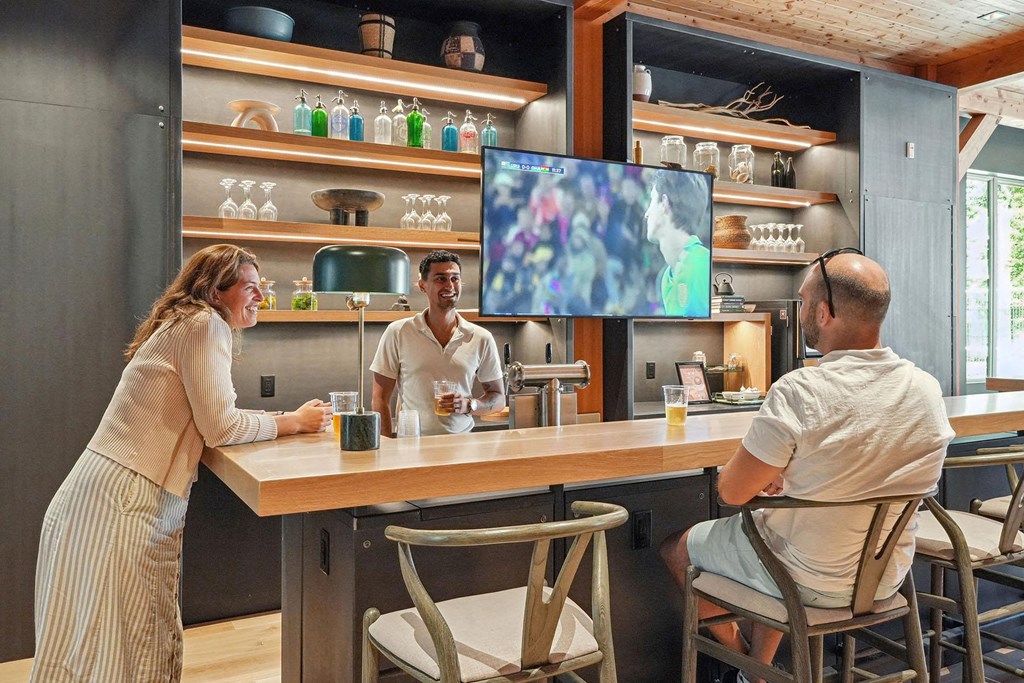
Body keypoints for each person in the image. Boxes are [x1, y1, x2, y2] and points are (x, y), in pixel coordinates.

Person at [30, 244, 331, 682]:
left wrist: (281, 420)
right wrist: (294, 422)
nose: (261, 297)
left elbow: (210, 416)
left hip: (101, 495)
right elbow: (221, 427)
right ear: (214, 290)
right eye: (250, 288)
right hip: (125, 501)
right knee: (128, 647)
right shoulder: (205, 324)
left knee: (86, 649)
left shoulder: (184, 323)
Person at [659, 250, 955, 683]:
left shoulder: (801, 390)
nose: (798, 313)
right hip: (887, 579)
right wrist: (797, 472)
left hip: (806, 583)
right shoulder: (926, 389)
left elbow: (731, 493)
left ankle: (746, 663)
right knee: (772, 528)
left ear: (824, 311)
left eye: (801, 302)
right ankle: (757, 674)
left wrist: (774, 472)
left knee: (677, 548)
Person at [371, 250, 505, 437]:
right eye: (440, 279)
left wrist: (469, 404)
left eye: (455, 279)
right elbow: (380, 398)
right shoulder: (398, 332)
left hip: (462, 446)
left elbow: (498, 399)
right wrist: (384, 448)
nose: (450, 285)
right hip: (411, 445)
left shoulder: (481, 337)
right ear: (422, 285)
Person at [644, 169, 712, 317]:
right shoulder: (665, 277)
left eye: (652, 201)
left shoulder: (703, 265)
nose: (647, 213)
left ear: (664, 204)